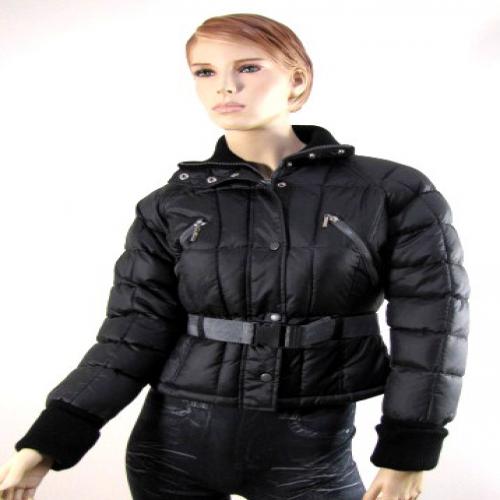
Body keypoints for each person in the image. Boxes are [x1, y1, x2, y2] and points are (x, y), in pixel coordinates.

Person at [0, 12, 470, 500]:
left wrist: (409, 450)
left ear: (296, 79)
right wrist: (47, 441)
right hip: (171, 452)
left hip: (310, 454)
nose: (225, 86)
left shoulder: (389, 191)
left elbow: (433, 327)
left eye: (248, 67)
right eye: (205, 72)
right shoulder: (171, 206)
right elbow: (131, 333)